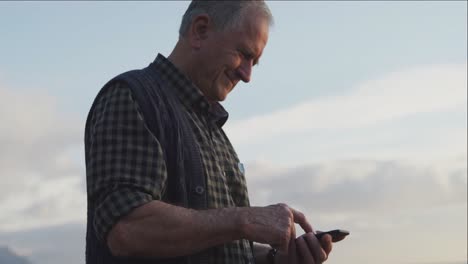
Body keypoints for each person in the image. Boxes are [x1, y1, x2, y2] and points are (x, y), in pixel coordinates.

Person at [84, 1, 333, 264]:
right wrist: (244, 219)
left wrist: (277, 259)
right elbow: (126, 228)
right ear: (200, 31)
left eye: (254, 62)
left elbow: (219, 250)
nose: (247, 75)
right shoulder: (132, 97)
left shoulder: (214, 132)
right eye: (244, 54)